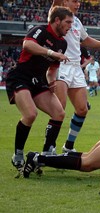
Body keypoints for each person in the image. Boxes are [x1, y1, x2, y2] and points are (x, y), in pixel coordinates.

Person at [6, 6, 72, 171]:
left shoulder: (62, 43)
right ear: (57, 20)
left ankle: (47, 152)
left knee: (59, 113)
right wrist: (52, 53)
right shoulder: (40, 30)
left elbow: (52, 69)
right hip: (20, 77)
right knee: (30, 114)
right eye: (68, 22)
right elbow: (27, 45)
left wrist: (51, 81)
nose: (70, 26)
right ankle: (18, 154)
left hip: (39, 81)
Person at [51, 0, 100, 154]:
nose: (78, 4)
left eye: (79, 1)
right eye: (74, 1)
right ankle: (50, 146)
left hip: (76, 68)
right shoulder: (56, 15)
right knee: (59, 109)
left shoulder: (77, 21)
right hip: (61, 65)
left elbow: (86, 40)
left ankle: (68, 146)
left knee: (82, 109)